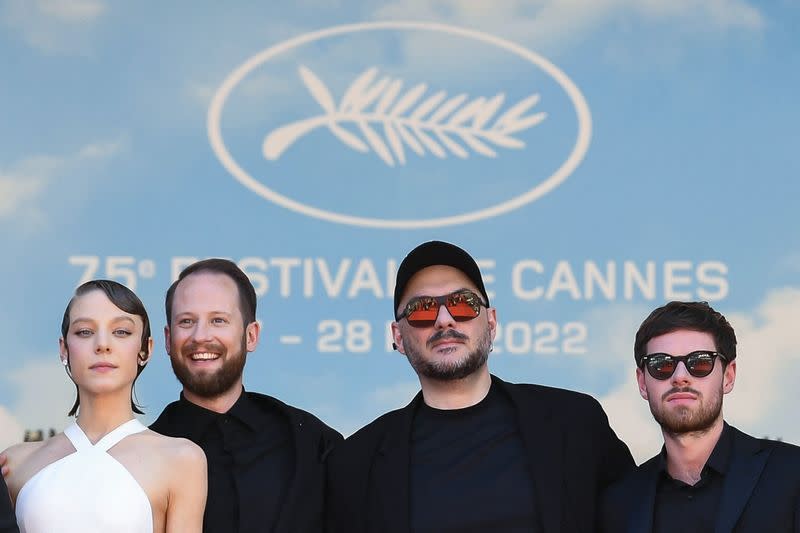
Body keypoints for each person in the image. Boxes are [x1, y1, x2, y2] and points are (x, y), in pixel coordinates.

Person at [326, 240, 635, 533]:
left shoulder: (576, 422)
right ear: (398, 336)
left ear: (491, 321)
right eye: (422, 309)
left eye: (463, 304)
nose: (444, 321)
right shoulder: (356, 463)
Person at [149, 258, 342, 533]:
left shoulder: (312, 442)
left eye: (218, 320)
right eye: (186, 321)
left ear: (251, 336)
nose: (200, 336)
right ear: (168, 340)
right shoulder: (144, 455)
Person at [1, 280, 206, 533]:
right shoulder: (16, 463)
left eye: (121, 332)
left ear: (145, 349)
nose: (102, 345)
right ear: (64, 349)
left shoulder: (182, 459)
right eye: (85, 331)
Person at [601, 301, 800, 532]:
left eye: (700, 362)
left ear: (728, 376)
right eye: (662, 365)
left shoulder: (792, 473)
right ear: (642, 383)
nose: (680, 376)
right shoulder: (618, 504)